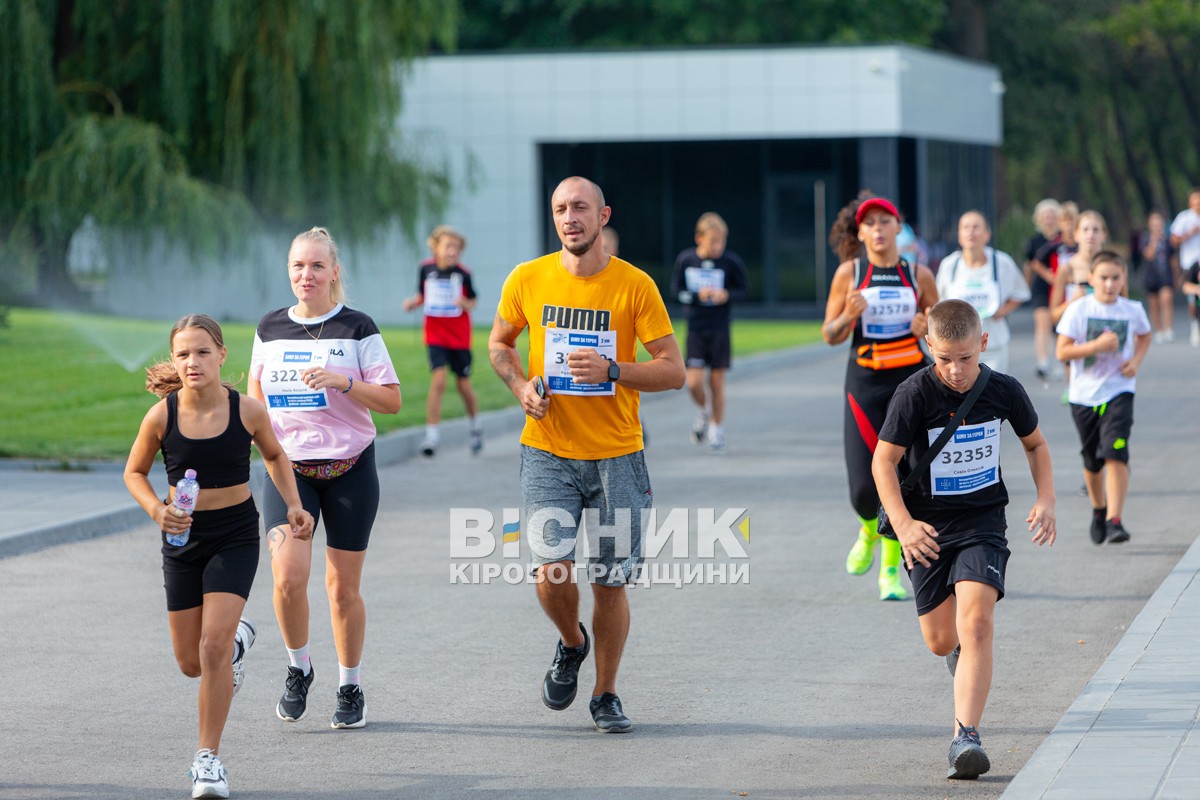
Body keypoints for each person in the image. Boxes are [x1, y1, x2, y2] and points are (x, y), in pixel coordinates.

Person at [488, 176, 685, 733]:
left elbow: (673, 370)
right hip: (547, 449)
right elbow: (500, 344)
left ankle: (605, 694)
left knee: (609, 580)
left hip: (618, 456)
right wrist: (521, 387)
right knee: (550, 570)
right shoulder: (528, 279)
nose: (569, 217)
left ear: (603, 216)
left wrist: (615, 371)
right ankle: (572, 642)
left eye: (579, 207)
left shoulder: (635, 286)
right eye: (559, 209)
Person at [124, 314, 314, 799]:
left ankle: (207, 761)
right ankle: (236, 646)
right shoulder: (162, 416)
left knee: (210, 649)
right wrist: (156, 511)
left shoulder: (247, 410)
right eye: (183, 354)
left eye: (203, 352)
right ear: (174, 359)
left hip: (233, 534)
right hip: (181, 539)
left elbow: (275, 455)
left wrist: (293, 504)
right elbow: (134, 473)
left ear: (222, 355)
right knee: (192, 662)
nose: (192, 362)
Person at [873, 298, 1056, 781]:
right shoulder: (913, 394)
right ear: (928, 345)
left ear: (984, 344)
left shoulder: (1004, 391)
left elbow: (1035, 444)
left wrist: (1046, 500)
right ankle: (958, 659)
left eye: (967, 358)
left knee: (976, 625)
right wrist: (905, 526)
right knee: (940, 641)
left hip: (982, 522)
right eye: (945, 359)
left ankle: (965, 737)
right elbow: (883, 462)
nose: (956, 371)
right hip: (927, 530)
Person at [249, 226, 401, 730]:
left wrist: (345, 382)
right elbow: (255, 400)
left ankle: (350, 684)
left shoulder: (358, 328)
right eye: (297, 266)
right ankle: (299, 669)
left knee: (341, 589)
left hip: (350, 469)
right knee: (288, 579)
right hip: (288, 471)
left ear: (334, 272)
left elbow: (392, 401)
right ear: (288, 271)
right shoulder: (270, 327)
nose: (306, 275)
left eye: (317, 266)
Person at [823, 193, 938, 601]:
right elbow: (830, 335)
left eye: (884, 221)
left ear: (897, 228)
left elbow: (940, 335)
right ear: (861, 232)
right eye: (868, 223)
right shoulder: (849, 273)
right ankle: (868, 529)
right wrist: (848, 316)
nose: (877, 229)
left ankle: (890, 572)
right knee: (861, 489)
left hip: (910, 383)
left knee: (905, 478)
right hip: (865, 384)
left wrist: (926, 325)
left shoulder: (918, 273)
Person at [1056, 250, 1152, 545]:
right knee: (1092, 462)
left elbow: (1145, 335)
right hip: (1084, 395)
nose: (1109, 284)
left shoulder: (1132, 309)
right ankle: (1098, 511)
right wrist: (1095, 346)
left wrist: (1135, 362)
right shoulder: (1079, 309)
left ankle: (1115, 520)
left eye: (1115, 278)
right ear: (1092, 279)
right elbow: (1062, 351)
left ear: (1124, 279)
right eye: (1104, 278)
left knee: (1115, 453)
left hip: (1119, 389)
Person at [670, 212, 749, 451]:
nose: (718, 247)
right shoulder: (686, 260)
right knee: (693, 382)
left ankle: (717, 428)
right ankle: (705, 411)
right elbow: (676, 291)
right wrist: (696, 296)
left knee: (716, 382)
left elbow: (744, 290)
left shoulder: (730, 262)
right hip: (696, 329)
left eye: (721, 241)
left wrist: (727, 295)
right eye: (713, 241)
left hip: (719, 330)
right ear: (699, 239)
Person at [402, 224, 482, 456]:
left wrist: (465, 304)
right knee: (438, 381)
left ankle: (475, 427)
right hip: (435, 335)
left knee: (463, 386)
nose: (452, 251)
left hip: (459, 337)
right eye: (448, 246)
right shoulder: (426, 270)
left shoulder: (463, 274)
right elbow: (422, 295)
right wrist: (412, 303)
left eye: (456, 247)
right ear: (436, 248)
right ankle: (432, 436)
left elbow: (473, 300)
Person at [936, 211, 1031, 373]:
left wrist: (1004, 310)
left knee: (993, 394)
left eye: (976, 227)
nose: (970, 232)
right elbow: (938, 302)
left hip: (994, 344)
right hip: (957, 349)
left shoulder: (1002, 263)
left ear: (987, 234)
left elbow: (1021, 292)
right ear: (959, 235)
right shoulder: (949, 265)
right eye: (965, 227)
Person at [1032, 202, 1079, 380]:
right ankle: (1048, 360)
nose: (1069, 226)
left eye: (1072, 222)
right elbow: (1036, 262)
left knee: (1067, 329)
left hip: (1075, 291)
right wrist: (1052, 277)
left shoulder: (1081, 245)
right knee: (1050, 324)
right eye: (1065, 222)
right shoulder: (1053, 245)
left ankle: (1067, 363)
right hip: (1056, 292)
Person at [1024, 199, 1061, 380]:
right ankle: (1042, 361)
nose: (1049, 219)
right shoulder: (1035, 240)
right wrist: (1026, 285)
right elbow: (1029, 264)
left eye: (1052, 215)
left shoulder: (1064, 238)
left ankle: (1060, 359)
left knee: (1059, 325)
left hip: (1061, 287)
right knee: (1042, 322)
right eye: (1045, 215)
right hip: (1041, 285)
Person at [1139, 210, 1178, 343]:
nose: (1157, 226)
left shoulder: (1168, 240)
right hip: (1152, 275)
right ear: (1149, 225)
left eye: (1159, 223)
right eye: (1154, 223)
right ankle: (1159, 330)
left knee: (1166, 300)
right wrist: (1154, 240)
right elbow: (1148, 255)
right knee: (1154, 305)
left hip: (1166, 274)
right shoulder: (1145, 238)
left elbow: (1173, 259)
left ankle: (1168, 328)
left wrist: (1177, 276)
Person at [1169, 189, 1200, 347]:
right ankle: (1195, 324)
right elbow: (1173, 240)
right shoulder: (1184, 217)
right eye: (1195, 200)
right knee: (1193, 296)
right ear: (1190, 202)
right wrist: (1190, 233)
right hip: (1189, 263)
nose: (1197, 203)